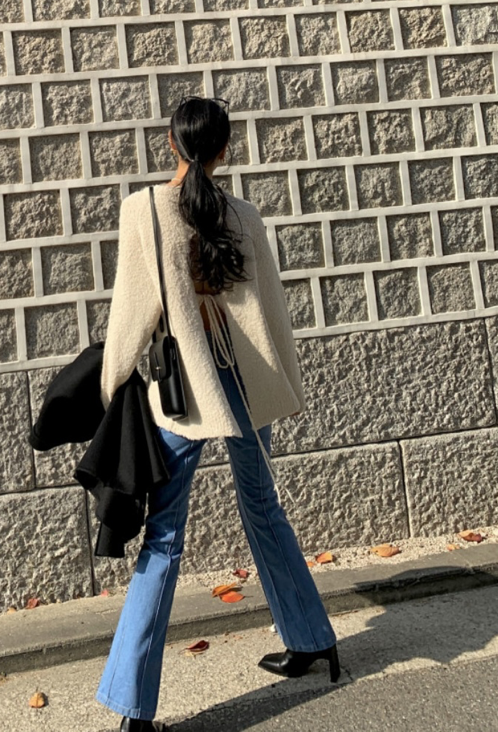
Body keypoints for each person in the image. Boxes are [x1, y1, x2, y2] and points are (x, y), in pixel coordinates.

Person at [96, 96, 338, 732]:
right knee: (263, 508)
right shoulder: (244, 214)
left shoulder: (145, 209)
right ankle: (313, 637)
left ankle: (133, 709)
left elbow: (131, 311)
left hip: (186, 393)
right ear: (225, 150)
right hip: (244, 385)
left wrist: (112, 383)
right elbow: (271, 310)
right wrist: (284, 383)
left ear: (170, 143)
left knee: (164, 535)